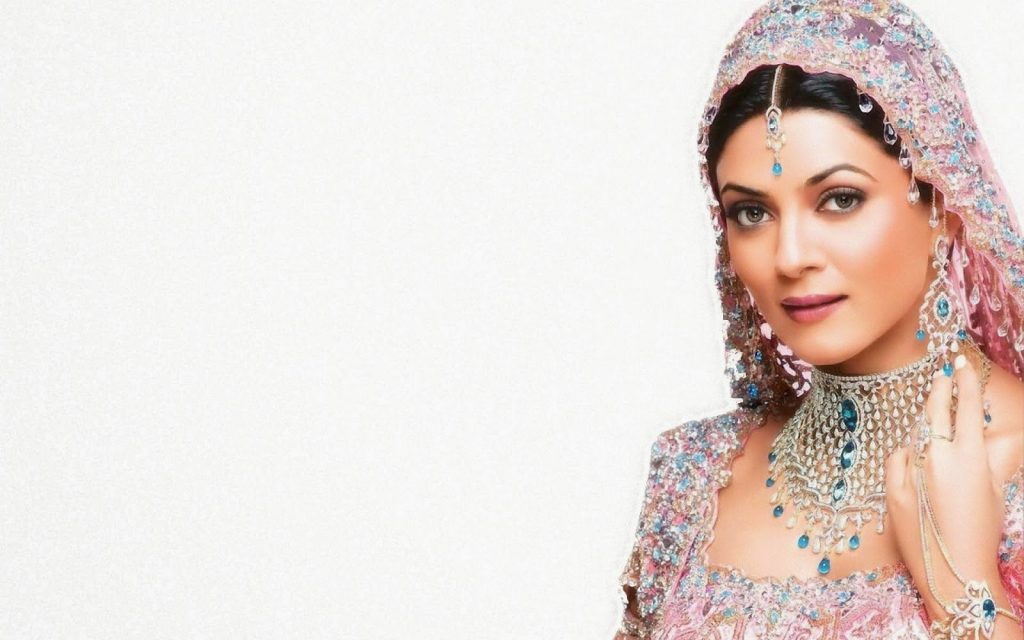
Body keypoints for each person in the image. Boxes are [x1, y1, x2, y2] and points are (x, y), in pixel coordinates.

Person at [614, 1, 1024, 638]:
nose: (790, 257)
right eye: (752, 213)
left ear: (940, 205)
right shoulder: (694, 477)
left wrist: (964, 590)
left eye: (839, 199)